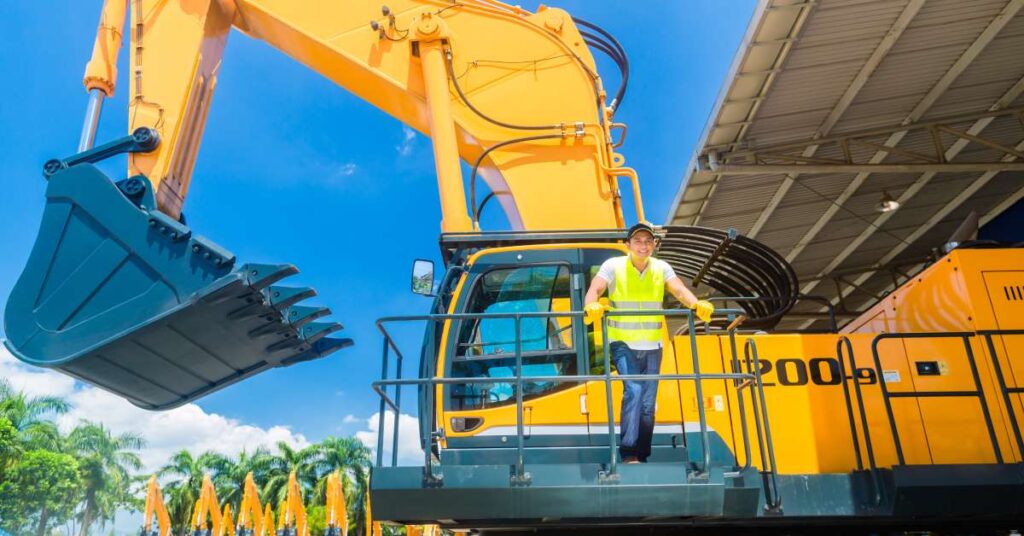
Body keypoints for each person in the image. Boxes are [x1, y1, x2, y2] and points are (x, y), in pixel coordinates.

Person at [583, 222, 714, 463]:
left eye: (648, 241)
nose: (643, 245)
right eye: (638, 241)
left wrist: (695, 304)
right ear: (628, 245)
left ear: (654, 245)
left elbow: (678, 289)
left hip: (653, 345)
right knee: (633, 390)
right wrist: (590, 304)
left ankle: (641, 454)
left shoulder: (661, 267)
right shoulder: (613, 266)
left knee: (647, 403)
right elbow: (596, 287)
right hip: (622, 342)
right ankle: (628, 453)